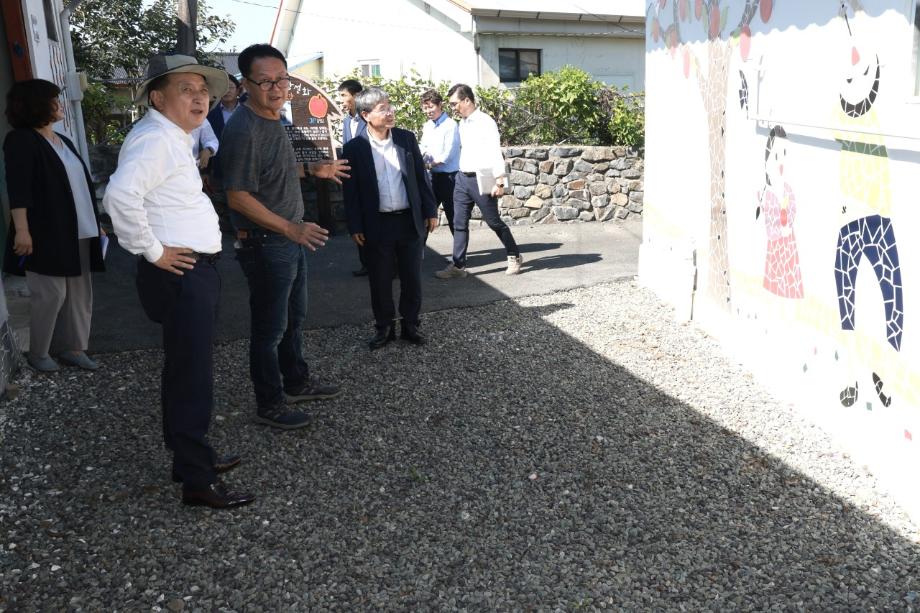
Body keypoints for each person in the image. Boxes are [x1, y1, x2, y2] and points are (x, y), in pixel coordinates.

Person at [103, 53, 254, 509]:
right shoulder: (156, 140)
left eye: (203, 90)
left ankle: (188, 458)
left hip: (189, 270)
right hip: (182, 271)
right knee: (192, 376)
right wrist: (153, 250)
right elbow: (119, 197)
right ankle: (197, 480)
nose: (199, 98)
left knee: (183, 368)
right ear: (157, 97)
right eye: (186, 89)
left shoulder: (170, 135)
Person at [220, 44, 348, 430]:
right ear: (246, 84)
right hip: (266, 241)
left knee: (293, 318)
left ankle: (295, 381)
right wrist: (291, 227)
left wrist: (313, 170)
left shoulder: (274, 119)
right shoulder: (243, 129)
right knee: (270, 328)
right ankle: (269, 403)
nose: (276, 88)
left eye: (282, 79)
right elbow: (237, 196)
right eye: (265, 82)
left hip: (288, 239)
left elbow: (274, 171)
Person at [2, 79, 105, 372]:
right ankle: (39, 352)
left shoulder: (63, 141)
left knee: (80, 294)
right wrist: (22, 230)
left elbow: (79, 186)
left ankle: (74, 348)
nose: (59, 105)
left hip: (80, 229)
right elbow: (19, 188)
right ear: (36, 105)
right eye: (53, 100)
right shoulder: (21, 140)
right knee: (51, 294)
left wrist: (96, 222)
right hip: (45, 231)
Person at [343, 87, 438, 349]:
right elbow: (350, 191)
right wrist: (355, 225)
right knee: (380, 280)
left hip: (409, 220)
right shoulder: (354, 148)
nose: (390, 112)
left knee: (412, 278)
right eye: (382, 109)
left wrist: (430, 210)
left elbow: (420, 177)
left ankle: (410, 325)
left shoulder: (406, 139)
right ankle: (384, 327)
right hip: (377, 223)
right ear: (366, 115)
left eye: (390, 106)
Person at [436, 84, 523, 278]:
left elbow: (494, 151)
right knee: (459, 222)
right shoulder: (462, 123)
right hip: (462, 179)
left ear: (467, 100)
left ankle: (514, 255)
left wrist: (500, 181)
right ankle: (458, 266)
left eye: (455, 103)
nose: (453, 108)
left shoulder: (485, 122)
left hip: (481, 179)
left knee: (493, 221)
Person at [338, 79, 369, 276]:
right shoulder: (346, 121)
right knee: (356, 221)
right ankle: (365, 263)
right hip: (352, 178)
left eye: (344, 95)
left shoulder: (369, 118)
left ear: (356, 96)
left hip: (369, 179)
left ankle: (385, 265)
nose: (341, 100)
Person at [419, 89, 460, 234]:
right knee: (426, 215)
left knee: (453, 217)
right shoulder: (427, 126)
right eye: (425, 108)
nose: (428, 111)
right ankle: (419, 248)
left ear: (440, 105)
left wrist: (429, 164)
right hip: (432, 177)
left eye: (431, 107)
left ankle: (460, 249)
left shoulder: (451, 125)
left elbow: (448, 155)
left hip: (449, 178)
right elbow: (423, 147)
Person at [206, 73, 241, 141]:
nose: (227, 91)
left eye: (231, 87)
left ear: (237, 90)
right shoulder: (210, 114)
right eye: (223, 88)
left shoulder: (249, 110)